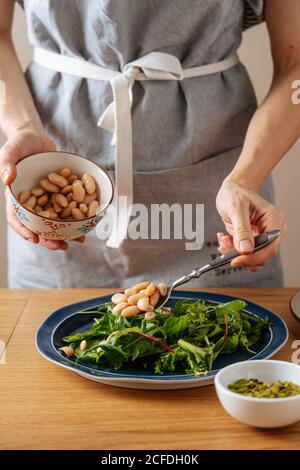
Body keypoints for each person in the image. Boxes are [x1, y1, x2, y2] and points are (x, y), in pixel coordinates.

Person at [0, 0, 294, 289]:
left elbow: (294, 63)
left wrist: (245, 179)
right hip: (57, 163)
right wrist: (22, 129)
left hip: (218, 190)